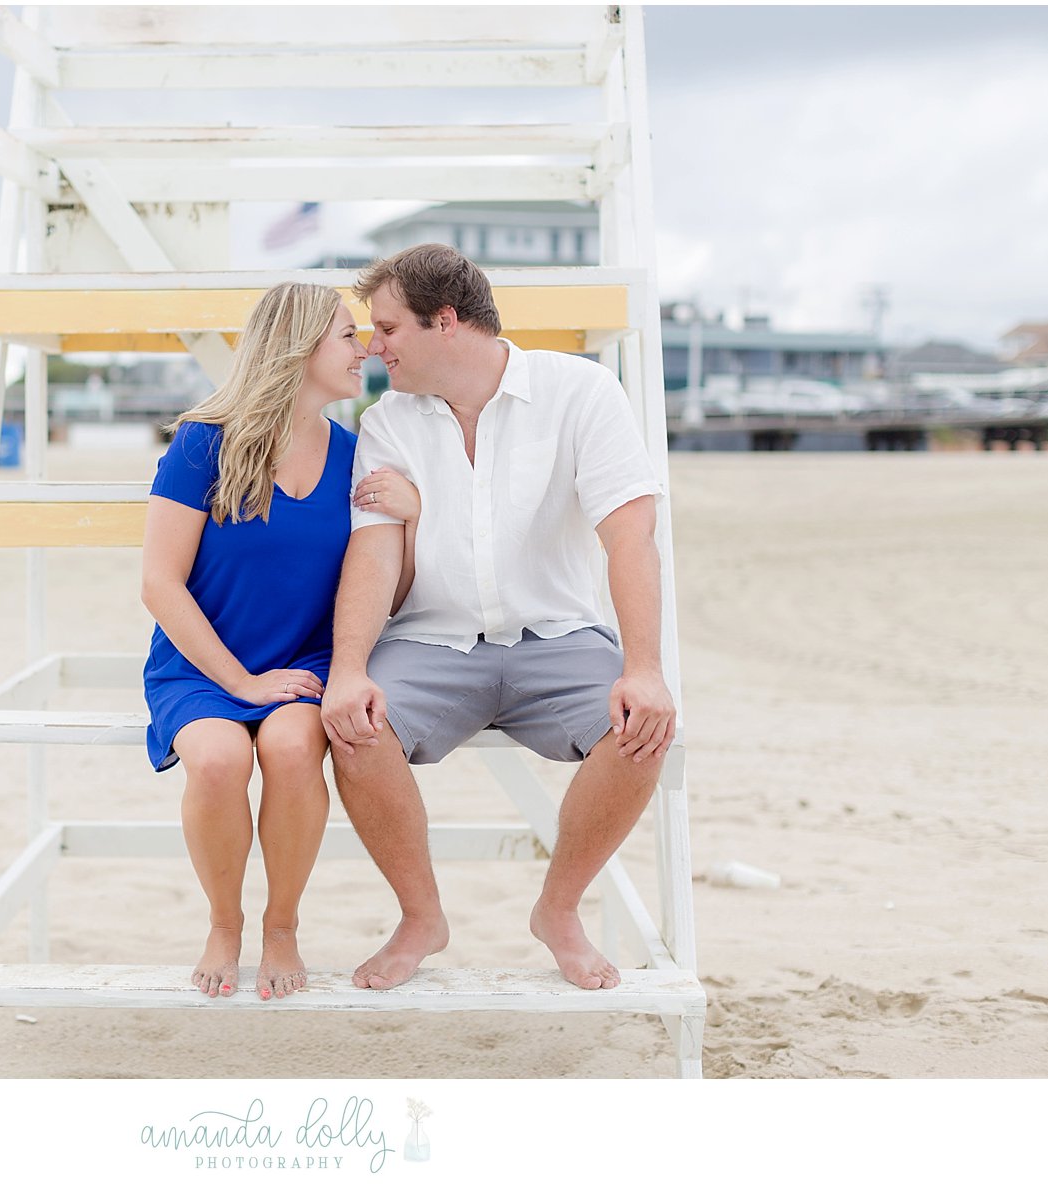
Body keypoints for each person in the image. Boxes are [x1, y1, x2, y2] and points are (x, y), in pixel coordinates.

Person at [319, 243, 677, 992]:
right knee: (353, 725)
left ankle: (559, 910)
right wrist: (347, 669)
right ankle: (421, 917)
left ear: (444, 322)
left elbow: (628, 535)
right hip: (430, 642)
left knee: (642, 729)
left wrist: (643, 669)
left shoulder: (580, 391)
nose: (372, 347)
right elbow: (374, 555)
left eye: (387, 329)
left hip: (559, 638)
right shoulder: (389, 420)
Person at [141, 282, 422, 1001]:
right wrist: (238, 683)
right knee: (215, 759)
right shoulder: (204, 442)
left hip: (307, 661)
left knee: (293, 748)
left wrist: (412, 520)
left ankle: (281, 927)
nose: (364, 349)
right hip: (204, 665)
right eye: (346, 335)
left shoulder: (359, 456)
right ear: (297, 348)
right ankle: (224, 923)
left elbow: (388, 590)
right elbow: (159, 585)